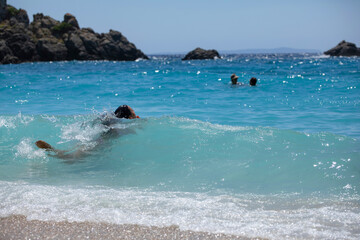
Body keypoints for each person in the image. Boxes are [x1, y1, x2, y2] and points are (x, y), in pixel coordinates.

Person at [35, 105, 140, 160]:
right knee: (71, 160)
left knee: (72, 153)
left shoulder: (111, 119)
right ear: (130, 117)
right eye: (134, 114)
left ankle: (52, 150)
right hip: (101, 141)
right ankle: (51, 150)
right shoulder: (121, 125)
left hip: (94, 137)